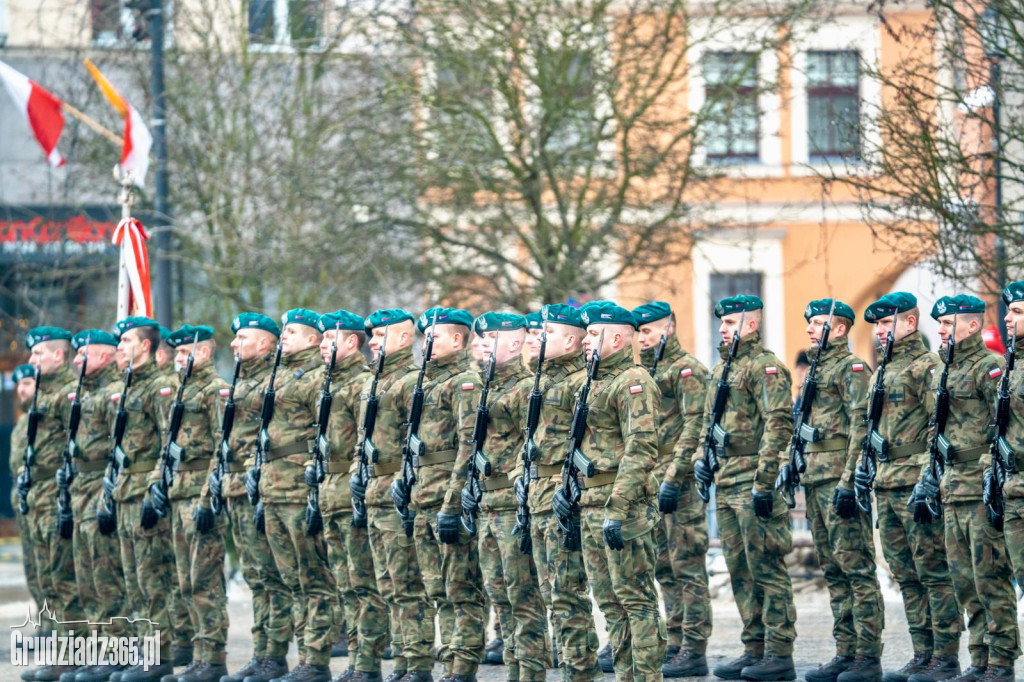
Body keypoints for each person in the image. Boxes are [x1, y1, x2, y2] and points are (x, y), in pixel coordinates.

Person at [554, 300, 666, 681]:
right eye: (584, 334)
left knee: (637, 602)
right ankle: (626, 674)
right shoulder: (592, 382)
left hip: (623, 508)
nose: (585, 341)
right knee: (610, 604)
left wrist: (617, 508)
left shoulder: (633, 382)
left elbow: (641, 448)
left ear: (617, 337)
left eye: (593, 334)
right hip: (589, 504)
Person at [909, 296, 1019, 681]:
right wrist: (928, 478)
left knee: (991, 579)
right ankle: (980, 660)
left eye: (948, 323)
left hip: (980, 488)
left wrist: (995, 481)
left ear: (971, 326)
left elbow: (1001, 428)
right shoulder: (946, 369)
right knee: (964, 582)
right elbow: (934, 434)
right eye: (938, 324)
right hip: (951, 488)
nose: (940, 329)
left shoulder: (989, 368)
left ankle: (1002, 662)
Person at [852, 293, 961, 682]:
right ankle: (923, 653)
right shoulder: (882, 371)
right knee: (906, 575)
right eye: (877, 327)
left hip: (914, 483)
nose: (881, 332)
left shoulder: (926, 367)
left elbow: (939, 425)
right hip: (886, 482)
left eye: (887, 324)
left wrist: (928, 478)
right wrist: (863, 467)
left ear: (909, 324)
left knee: (933, 572)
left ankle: (945, 657)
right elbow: (870, 428)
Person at [693, 295, 797, 681]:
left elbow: (778, 424)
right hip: (727, 477)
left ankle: (779, 652)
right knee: (740, 570)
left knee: (766, 566)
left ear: (750, 326)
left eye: (731, 323)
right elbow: (710, 422)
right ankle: (755, 647)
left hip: (753, 478)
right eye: (722, 323)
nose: (723, 329)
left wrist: (765, 480)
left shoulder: (765, 367)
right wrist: (704, 461)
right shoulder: (722, 368)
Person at [785, 300, 884, 682]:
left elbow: (862, 427)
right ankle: (847, 650)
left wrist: (850, 481)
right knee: (834, 571)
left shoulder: (852, 369)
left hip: (839, 481)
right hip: (816, 479)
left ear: (839, 329)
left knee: (856, 569)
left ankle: (868, 656)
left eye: (818, 323)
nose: (810, 329)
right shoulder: (816, 370)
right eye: (809, 323)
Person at [245, 308, 337, 682]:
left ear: (315, 339)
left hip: (299, 490)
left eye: (293, 332)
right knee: (288, 581)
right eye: (284, 331)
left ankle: (316, 661)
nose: (285, 336)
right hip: (273, 489)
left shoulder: (318, 377)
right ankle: (296, 659)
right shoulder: (277, 376)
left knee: (312, 579)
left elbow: (326, 433)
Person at [352, 309, 433, 682]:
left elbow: (418, 446)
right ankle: (401, 662)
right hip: (374, 493)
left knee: (408, 586)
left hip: (399, 496)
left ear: (403, 339)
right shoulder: (374, 382)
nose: (372, 342)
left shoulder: (411, 382)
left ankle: (417, 664)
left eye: (381, 336)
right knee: (387, 585)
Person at [633, 302, 712, 678]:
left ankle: (695, 648)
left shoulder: (688, 371)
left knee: (688, 567)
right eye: (640, 331)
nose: (643, 337)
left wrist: (674, 476)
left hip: (677, 484)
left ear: (669, 327)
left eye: (649, 330)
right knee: (663, 567)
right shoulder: (644, 373)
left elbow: (694, 429)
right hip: (652, 481)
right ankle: (675, 641)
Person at [215, 313, 293, 682]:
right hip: (239, 490)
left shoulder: (273, 383)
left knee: (272, 578)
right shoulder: (244, 379)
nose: (234, 343)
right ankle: (263, 653)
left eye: (242, 337)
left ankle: (274, 656)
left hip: (264, 489)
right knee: (256, 577)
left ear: (264, 343)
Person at [526, 304, 601, 682]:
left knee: (568, 596)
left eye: (549, 333)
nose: (541, 338)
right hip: (538, 496)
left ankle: (582, 674)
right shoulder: (543, 381)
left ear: (571, 340)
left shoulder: (580, 384)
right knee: (551, 597)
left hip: (563, 499)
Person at [155, 325, 231, 682]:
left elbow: (223, 448)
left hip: (200, 496)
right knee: (185, 582)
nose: (176, 360)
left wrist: (207, 500)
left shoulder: (214, 391)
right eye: (175, 354)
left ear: (202, 353)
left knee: (205, 582)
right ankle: (199, 655)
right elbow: (167, 448)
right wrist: (159, 486)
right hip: (178, 494)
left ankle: (212, 658)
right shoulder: (179, 394)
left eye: (184, 353)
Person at [313, 311, 379, 682]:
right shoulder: (328, 382)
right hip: (329, 491)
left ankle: (367, 662)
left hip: (351, 491)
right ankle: (356, 659)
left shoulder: (360, 384)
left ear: (351, 342)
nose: (322, 346)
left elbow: (366, 443)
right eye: (320, 340)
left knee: (362, 583)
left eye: (329, 340)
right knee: (344, 584)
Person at [112, 316, 179, 681]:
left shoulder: (161, 387)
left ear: (145, 346)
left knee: (153, 579)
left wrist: (155, 490)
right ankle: (142, 649)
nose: (120, 346)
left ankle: (159, 654)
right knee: (132, 580)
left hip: (145, 494)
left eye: (126, 340)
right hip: (124, 490)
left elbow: (168, 445)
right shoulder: (128, 386)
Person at [65, 331, 132, 682]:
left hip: (103, 489)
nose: (76, 360)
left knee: (108, 578)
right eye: (75, 355)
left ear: (106, 357)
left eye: (84, 354)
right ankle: (101, 649)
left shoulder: (113, 394)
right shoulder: (82, 394)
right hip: (80, 489)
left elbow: (123, 449)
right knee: (88, 578)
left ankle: (119, 650)